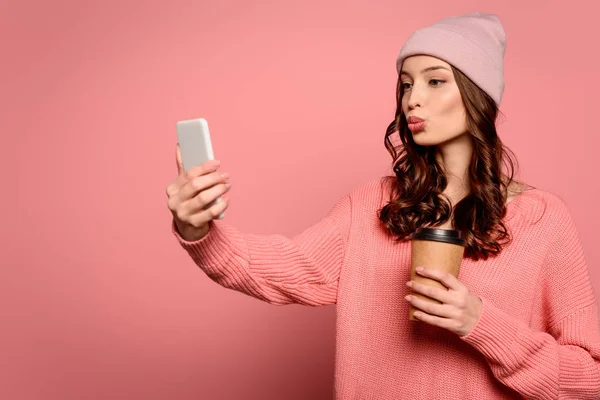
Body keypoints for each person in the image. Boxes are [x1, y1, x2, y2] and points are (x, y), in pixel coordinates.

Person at [165, 12, 600, 399]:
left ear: (477, 95)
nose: (413, 98)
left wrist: (481, 324)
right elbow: (280, 270)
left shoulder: (543, 220)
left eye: (435, 80)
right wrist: (197, 230)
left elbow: (588, 379)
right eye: (407, 84)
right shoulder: (372, 205)